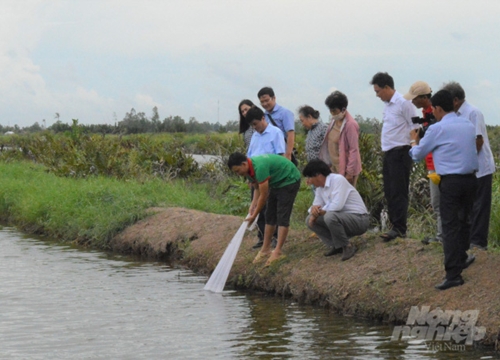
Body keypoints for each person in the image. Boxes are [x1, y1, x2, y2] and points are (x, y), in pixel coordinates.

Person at [409, 90, 478, 290]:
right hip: (471, 179)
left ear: (438, 108)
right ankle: (463, 256)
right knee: (464, 219)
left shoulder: (437, 129)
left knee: (449, 226)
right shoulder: (468, 124)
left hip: (451, 181)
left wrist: (414, 140)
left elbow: (417, 155)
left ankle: (453, 274)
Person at [442, 81, 496, 251]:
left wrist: (464, 159)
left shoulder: (473, 113)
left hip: (480, 166)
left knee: (480, 206)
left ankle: (479, 242)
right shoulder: (455, 115)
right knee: (469, 206)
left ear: (455, 100)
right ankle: (469, 241)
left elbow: (477, 141)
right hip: (466, 168)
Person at [228, 152, 301, 266]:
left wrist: (254, 214)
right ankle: (265, 249)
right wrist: (253, 204)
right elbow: (256, 188)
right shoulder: (247, 170)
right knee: (269, 215)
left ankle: (278, 251)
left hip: (289, 180)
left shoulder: (260, 167)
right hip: (276, 183)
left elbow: (264, 194)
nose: (238, 174)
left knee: (282, 215)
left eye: (238, 171)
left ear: (243, 164)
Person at [370, 72, 416, 241]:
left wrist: (414, 148)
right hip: (389, 152)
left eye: (378, 91)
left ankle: (400, 228)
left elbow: (415, 126)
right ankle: (393, 225)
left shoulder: (404, 103)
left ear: (387, 88)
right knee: (389, 191)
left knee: (398, 191)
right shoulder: (388, 106)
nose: (377, 95)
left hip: (401, 152)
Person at [303, 159, 370, 261]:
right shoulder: (320, 189)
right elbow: (315, 206)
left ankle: (347, 246)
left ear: (318, 175)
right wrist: (313, 211)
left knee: (330, 216)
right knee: (309, 220)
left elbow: (336, 206)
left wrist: (317, 212)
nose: (309, 181)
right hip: (343, 218)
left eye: (309, 177)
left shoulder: (338, 180)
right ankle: (336, 245)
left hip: (359, 219)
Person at [403, 81, 442, 244]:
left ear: (424, 97)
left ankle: (443, 237)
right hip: (432, 163)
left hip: (439, 165)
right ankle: (442, 236)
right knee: (437, 203)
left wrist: (415, 140)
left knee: (440, 204)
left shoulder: (436, 114)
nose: (412, 102)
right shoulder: (427, 114)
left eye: (415, 99)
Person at [245, 106, 286, 249]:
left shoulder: (276, 133)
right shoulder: (255, 135)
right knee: (257, 207)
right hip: (256, 177)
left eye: (256, 124)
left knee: (271, 208)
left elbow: (281, 156)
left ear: (263, 118)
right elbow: (249, 156)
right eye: (252, 125)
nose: (255, 127)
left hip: (271, 178)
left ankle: (274, 237)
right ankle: (262, 237)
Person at [318, 91, 362, 187]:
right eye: (330, 110)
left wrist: (349, 173)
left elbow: (353, 149)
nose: (332, 113)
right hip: (334, 168)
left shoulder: (350, 125)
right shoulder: (333, 122)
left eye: (334, 110)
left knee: (345, 198)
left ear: (343, 109)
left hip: (346, 170)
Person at [257, 87, 296, 163]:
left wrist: (288, 154)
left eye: (267, 100)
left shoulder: (285, 113)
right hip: (271, 156)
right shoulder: (264, 116)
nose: (265, 104)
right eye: (262, 102)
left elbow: (290, 134)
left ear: (274, 98)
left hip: (283, 154)